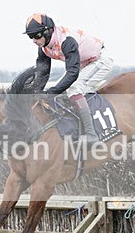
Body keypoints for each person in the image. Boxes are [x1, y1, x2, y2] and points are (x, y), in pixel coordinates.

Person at [24, 13, 113, 143]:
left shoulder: (66, 41)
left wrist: (51, 92)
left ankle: (91, 134)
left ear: (47, 32)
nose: (34, 40)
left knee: (73, 88)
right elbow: (42, 73)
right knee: (61, 88)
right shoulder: (43, 47)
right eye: (30, 36)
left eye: (36, 35)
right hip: (83, 63)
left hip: (99, 61)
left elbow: (72, 73)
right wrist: (36, 92)